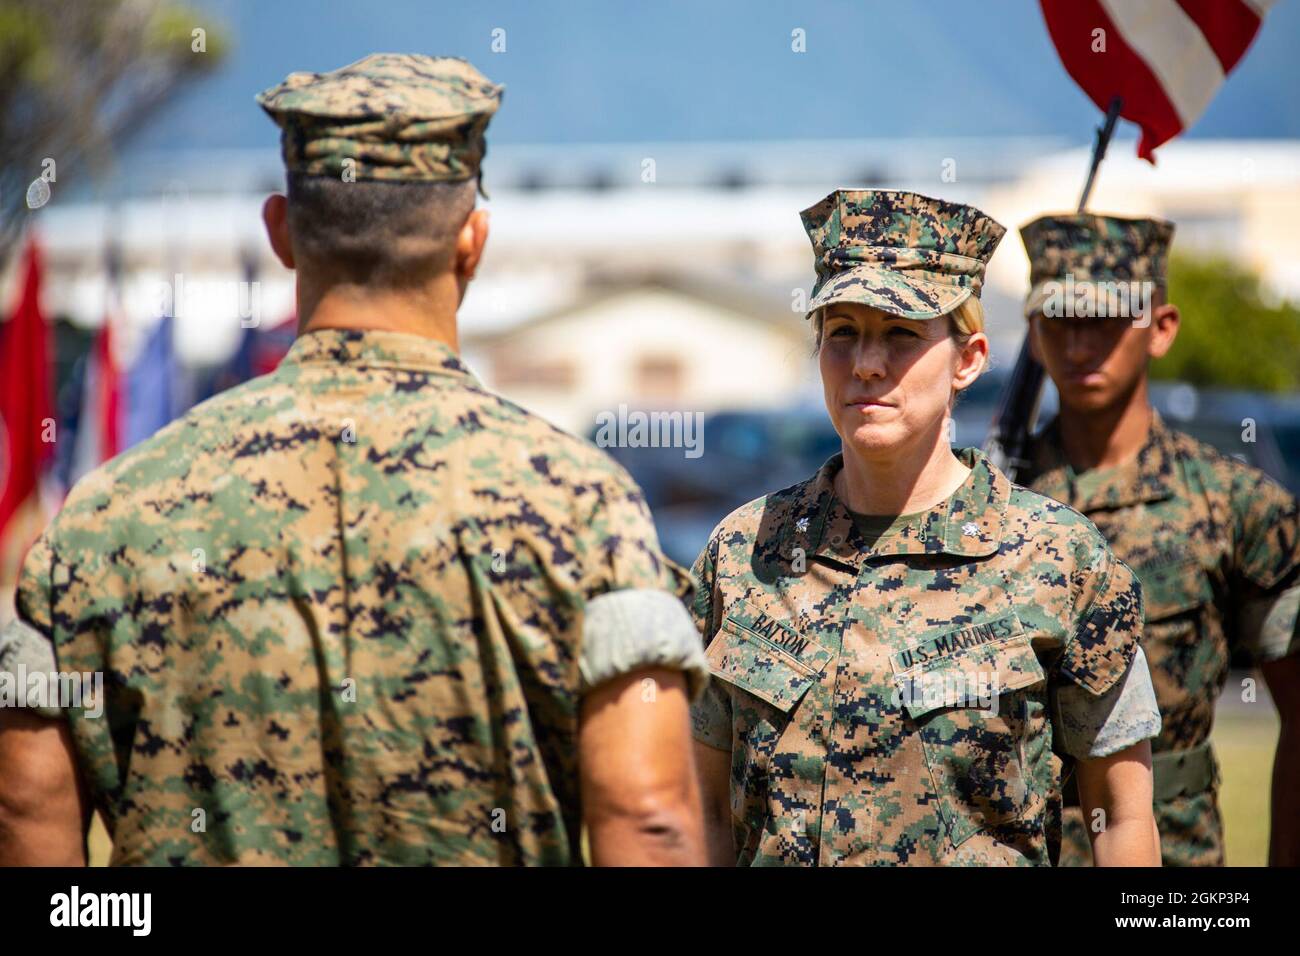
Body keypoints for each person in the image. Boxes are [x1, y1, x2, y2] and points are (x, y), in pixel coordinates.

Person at [0, 53, 709, 867]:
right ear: (472, 243)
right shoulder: (583, 506)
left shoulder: (102, 517)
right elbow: (650, 821)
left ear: (280, 233)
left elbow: (24, 809)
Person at [690, 189, 1162, 866]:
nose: (866, 365)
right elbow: (700, 810)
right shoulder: (745, 552)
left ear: (968, 358)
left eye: (901, 333)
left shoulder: (1059, 560)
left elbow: (1118, 814)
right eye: (842, 331)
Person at [1018, 213, 1300, 867]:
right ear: (1033, 331)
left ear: (1161, 328)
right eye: (1058, 319)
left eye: (1107, 319)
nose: (1080, 344)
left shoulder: (1236, 505)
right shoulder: (994, 502)